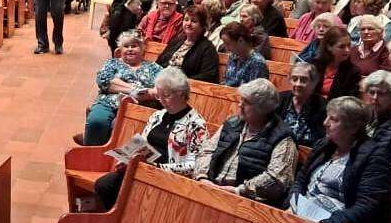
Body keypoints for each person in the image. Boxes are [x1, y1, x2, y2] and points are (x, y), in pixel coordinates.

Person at [289, 96, 391, 223]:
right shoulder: (324, 145)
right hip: (304, 218)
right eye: (327, 117)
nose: (325, 123)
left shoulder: (374, 157)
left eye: (334, 119)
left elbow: (366, 206)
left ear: (354, 127)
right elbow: (300, 180)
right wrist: (294, 204)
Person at [92, 68, 207, 210]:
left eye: (167, 96)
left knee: (132, 197)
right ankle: (114, 221)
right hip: (141, 169)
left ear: (182, 94)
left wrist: (156, 167)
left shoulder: (196, 124)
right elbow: (141, 143)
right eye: (159, 96)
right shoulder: (157, 116)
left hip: (166, 178)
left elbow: (193, 165)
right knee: (104, 185)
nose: (162, 101)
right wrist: (125, 158)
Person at [193, 79, 297, 205]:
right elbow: (206, 151)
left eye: (246, 102)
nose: (240, 105)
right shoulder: (232, 123)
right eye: (241, 99)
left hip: (246, 202)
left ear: (262, 108)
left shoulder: (282, 137)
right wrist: (202, 176)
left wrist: (240, 190)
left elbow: (278, 179)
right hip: (210, 187)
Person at [79, 31, 162, 145]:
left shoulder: (153, 67)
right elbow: (103, 80)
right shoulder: (113, 63)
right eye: (126, 46)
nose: (130, 49)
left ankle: (109, 154)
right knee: (96, 121)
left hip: (138, 107)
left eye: (134, 46)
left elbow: (163, 86)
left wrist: (149, 92)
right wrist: (135, 90)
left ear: (142, 49)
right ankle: (90, 151)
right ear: (120, 50)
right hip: (108, 102)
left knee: (121, 128)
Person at [155, 5, 220, 83]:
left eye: (194, 21)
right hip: (162, 81)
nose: (188, 24)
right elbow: (159, 62)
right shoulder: (176, 41)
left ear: (203, 25)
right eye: (186, 20)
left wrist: (183, 81)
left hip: (182, 87)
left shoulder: (207, 48)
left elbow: (208, 76)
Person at [275, 61, 326, 146]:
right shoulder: (279, 99)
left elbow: (321, 138)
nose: (298, 84)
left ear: (314, 83)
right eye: (294, 79)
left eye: (303, 80)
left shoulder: (322, 106)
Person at [314, 25, 362, 100]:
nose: (347, 50)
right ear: (329, 47)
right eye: (341, 47)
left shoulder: (353, 72)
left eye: (349, 45)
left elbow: (349, 100)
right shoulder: (315, 65)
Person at [220, 22, 267, 87]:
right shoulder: (233, 56)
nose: (226, 48)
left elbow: (254, 93)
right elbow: (226, 81)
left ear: (241, 41)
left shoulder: (257, 62)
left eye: (228, 44)